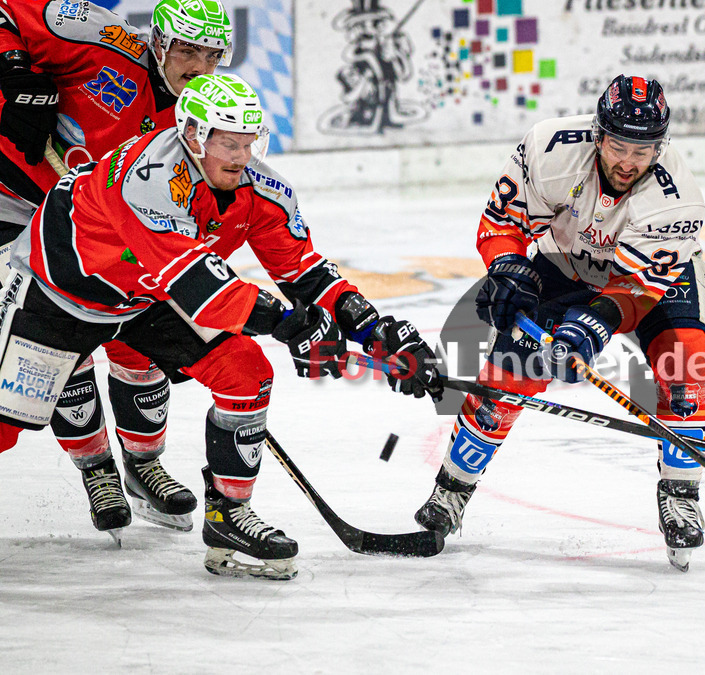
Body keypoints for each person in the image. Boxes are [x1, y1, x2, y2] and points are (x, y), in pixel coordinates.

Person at [0, 73, 442, 580]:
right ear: (193, 134)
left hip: (147, 298)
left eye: (249, 142)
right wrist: (288, 323)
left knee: (246, 373)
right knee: (6, 424)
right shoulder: (151, 175)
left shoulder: (260, 188)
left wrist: (376, 330)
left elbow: (305, 270)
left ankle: (228, 516)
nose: (242, 156)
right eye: (229, 143)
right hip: (59, 293)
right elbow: (199, 285)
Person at [414, 75, 705, 572]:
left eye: (642, 151)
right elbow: (503, 222)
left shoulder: (677, 199)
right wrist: (508, 270)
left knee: (687, 361)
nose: (628, 162)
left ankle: (681, 493)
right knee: (508, 374)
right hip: (565, 261)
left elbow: (635, 290)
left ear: (660, 147)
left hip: (652, 278)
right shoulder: (549, 149)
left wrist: (589, 326)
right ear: (598, 134)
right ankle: (453, 489)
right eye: (618, 146)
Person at [0, 0, 233, 536]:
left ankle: (144, 466)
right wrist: (14, 73)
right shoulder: (98, 38)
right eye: (188, 51)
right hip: (14, 201)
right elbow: (5, 14)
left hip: (101, 230)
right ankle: (97, 471)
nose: (200, 68)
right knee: (59, 344)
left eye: (213, 56)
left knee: (137, 343)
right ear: (158, 43)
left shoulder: (200, 116)